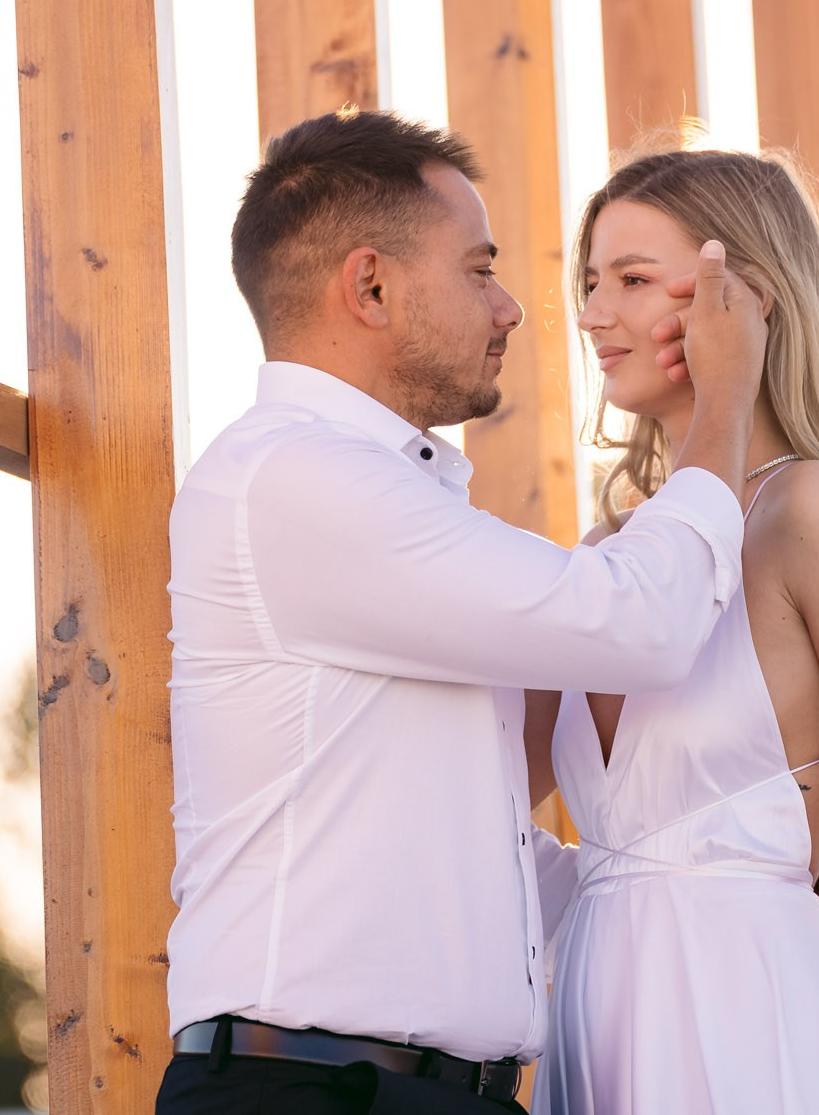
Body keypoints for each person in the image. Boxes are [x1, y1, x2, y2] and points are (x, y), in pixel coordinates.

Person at [156, 109, 771, 1113]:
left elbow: (448, 840)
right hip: (312, 1097)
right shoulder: (293, 477)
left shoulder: (369, 494)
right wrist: (724, 406)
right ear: (369, 285)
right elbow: (635, 625)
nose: (511, 311)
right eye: (479, 270)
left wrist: (699, 878)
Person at [528, 147, 819, 1115]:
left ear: (744, 300)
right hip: (595, 1044)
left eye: (631, 280)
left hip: (758, 1044)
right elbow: (480, 806)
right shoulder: (610, 555)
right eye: (590, 283)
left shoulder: (813, 512)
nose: (593, 315)